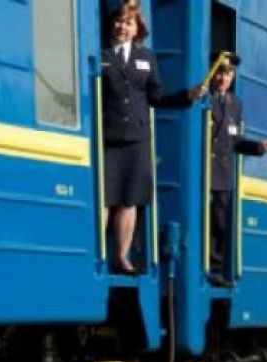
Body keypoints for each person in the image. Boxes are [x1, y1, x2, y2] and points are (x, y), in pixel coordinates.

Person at [102, 1, 205, 274]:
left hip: (137, 138)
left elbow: (156, 97)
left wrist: (187, 95)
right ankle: (99, 252)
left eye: (128, 23)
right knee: (105, 197)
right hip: (108, 136)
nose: (122, 27)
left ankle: (121, 257)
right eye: (119, 21)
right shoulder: (100, 55)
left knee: (129, 199)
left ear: (137, 29)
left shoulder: (147, 57)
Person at [208, 56, 267, 287]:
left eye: (227, 74)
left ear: (233, 76)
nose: (222, 78)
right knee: (204, 221)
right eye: (219, 72)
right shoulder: (204, 97)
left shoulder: (235, 104)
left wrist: (258, 147)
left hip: (223, 173)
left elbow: (235, 141)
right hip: (205, 170)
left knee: (220, 223)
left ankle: (216, 269)